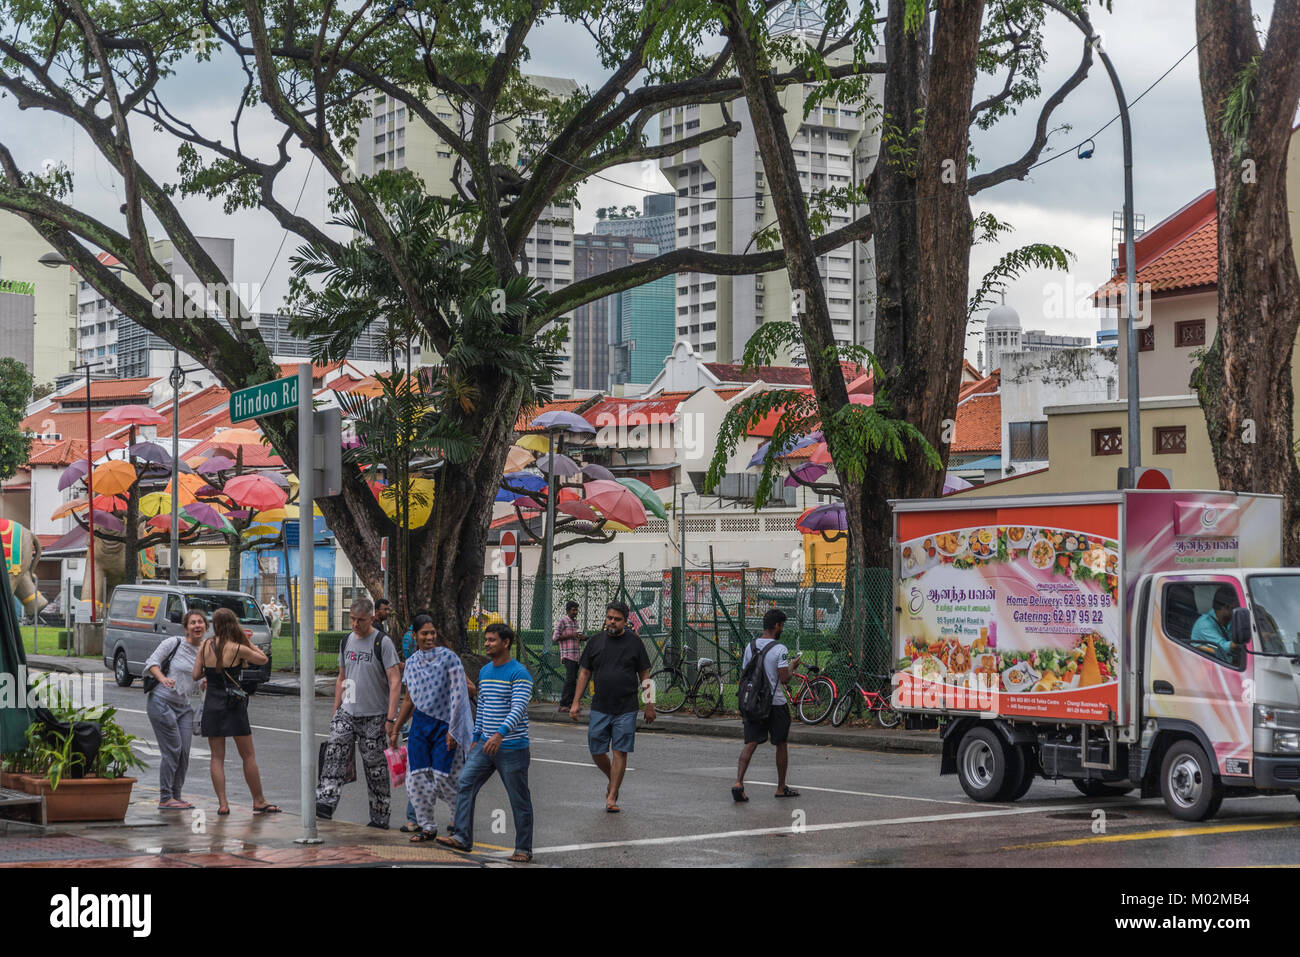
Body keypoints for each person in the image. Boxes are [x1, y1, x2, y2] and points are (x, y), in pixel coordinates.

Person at [437, 623, 534, 863]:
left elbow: (519, 708)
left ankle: (523, 849)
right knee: (465, 782)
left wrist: (500, 734)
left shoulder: (519, 673)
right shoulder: (485, 671)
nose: (487, 644)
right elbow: (482, 707)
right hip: (484, 745)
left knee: (518, 798)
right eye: (486, 640)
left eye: (492, 640)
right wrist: (478, 736)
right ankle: (461, 837)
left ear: (506, 643)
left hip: (511, 746)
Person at [316, 598, 401, 828]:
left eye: (360, 620)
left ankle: (380, 816)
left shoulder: (382, 643)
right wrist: (336, 709)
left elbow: (395, 681)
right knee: (334, 750)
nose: (355, 624)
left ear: (371, 619)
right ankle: (326, 800)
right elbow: (341, 677)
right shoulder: (346, 642)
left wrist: (391, 718)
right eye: (352, 619)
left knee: (375, 768)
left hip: (374, 715)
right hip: (347, 710)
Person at [390, 615, 474, 842]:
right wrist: (396, 729)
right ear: (415, 636)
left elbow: (459, 695)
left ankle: (458, 821)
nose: (429, 637)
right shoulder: (412, 663)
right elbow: (409, 700)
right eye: (424, 633)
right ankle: (427, 826)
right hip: (419, 726)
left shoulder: (450, 659)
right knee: (416, 778)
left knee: (444, 777)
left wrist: (454, 730)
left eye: (432, 632)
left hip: (445, 725)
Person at [192, 607, 279, 815]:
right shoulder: (237, 647)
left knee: (216, 757)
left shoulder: (205, 645)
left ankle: (223, 804)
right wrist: (247, 642)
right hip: (233, 704)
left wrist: (210, 672)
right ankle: (258, 800)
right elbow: (263, 659)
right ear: (233, 624)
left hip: (212, 703)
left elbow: (196, 674)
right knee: (247, 755)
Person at [569, 601, 654, 813]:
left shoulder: (635, 643)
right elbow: (585, 673)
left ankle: (612, 794)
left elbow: (644, 674)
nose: (612, 622)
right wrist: (576, 701)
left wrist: (650, 704)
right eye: (609, 618)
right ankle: (613, 777)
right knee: (596, 749)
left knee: (620, 751)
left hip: (626, 707)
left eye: (617, 619)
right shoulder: (596, 642)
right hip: (600, 706)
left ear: (625, 621)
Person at [732, 608, 800, 802]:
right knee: (781, 743)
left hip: (754, 701)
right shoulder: (781, 649)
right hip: (776, 703)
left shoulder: (750, 646)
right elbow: (784, 678)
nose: (782, 629)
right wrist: (793, 666)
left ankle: (738, 782)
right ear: (777, 625)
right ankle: (780, 787)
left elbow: (746, 672)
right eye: (782, 625)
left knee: (750, 743)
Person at [145, 609, 206, 810]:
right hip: (161, 702)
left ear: (205, 626)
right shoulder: (174, 643)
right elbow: (152, 663)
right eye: (193, 622)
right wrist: (163, 678)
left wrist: (203, 684)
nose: (197, 625)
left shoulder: (204, 651)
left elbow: (197, 680)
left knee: (184, 752)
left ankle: (176, 795)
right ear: (186, 627)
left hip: (184, 707)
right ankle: (165, 797)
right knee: (173, 750)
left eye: (200, 622)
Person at [1191, 585, 1242, 663]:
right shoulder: (1204, 624)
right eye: (1236, 608)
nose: (1239, 610)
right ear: (1227, 607)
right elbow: (1222, 647)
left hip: (1226, 662)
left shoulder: (1229, 620)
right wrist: (1246, 640)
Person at [554, 600, 585, 713]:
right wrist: (571, 635)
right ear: (568, 610)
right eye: (573, 610)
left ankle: (571, 704)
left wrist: (581, 637)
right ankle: (563, 704)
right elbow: (555, 637)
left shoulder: (575, 623)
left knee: (573, 680)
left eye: (576, 610)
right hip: (568, 655)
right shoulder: (563, 622)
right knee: (570, 679)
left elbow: (575, 636)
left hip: (576, 655)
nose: (575, 612)